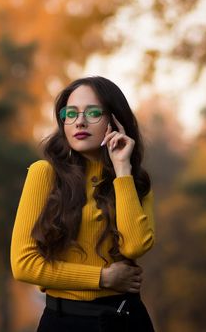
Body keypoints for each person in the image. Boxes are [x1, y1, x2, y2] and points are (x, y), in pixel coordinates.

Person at [10, 76, 155, 331]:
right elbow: (23, 265)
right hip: (64, 321)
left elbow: (134, 247)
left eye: (93, 112)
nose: (80, 121)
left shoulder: (135, 181)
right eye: (71, 113)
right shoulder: (44, 174)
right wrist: (103, 278)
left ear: (115, 121)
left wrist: (123, 170)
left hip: (126, 319)